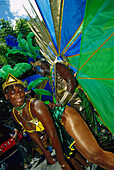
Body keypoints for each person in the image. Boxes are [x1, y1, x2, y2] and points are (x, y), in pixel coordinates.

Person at [2, 73, 114, 170]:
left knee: (94, 156)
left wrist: (62, 163)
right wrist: (45, 151)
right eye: (12, 92)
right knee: (72, 159)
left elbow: (53, 134)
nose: (18, 94)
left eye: (20, 90)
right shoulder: (15, 114)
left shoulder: (36, 105)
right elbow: (31, 132)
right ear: (6, 96)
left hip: (65, 119)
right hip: (57, 129)